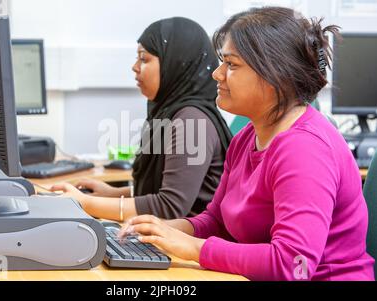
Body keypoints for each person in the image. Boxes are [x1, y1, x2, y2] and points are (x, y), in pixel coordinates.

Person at [119, 7, 375, 281]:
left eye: (231, 64)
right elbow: (216, 222)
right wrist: (163, 230)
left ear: (276, 75)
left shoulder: (305, 150)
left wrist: (194, 248)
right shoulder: (246, 138)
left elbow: (294, 265)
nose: (217, 74)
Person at [51, 17, 233, 221]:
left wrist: (85, 203)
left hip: (186, 246)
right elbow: (164, 192)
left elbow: (169, 207)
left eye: (144, 59)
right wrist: (109, 193)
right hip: (167, 238)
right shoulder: (168, 113)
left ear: (174, 63)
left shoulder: (192, 121)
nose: (135, 67)